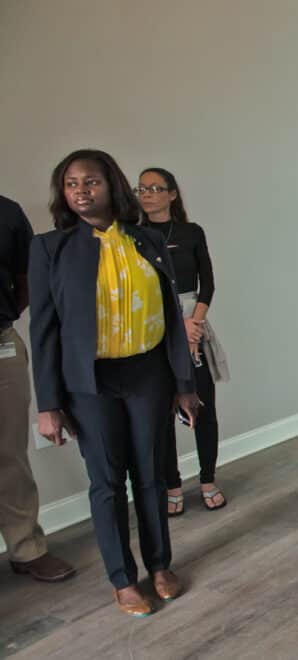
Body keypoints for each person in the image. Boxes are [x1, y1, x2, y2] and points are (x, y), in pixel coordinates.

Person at [29, 150, 199, 617]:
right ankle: (122, 580)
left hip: (148, 373)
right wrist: (49, 404)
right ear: (63, 193)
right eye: (71, 183)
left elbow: (171, 317)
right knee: (107, 481)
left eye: (91, 181)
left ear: (112, 185)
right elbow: (43, 333)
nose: (81, 190)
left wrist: (185, 383)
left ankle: (159, 566)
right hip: (90, 382)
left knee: (151, 474)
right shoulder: (50, 249)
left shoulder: (147, 241)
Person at [138, 168, 229, 515]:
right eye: (142, 188)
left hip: (194, 324)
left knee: (203, 407)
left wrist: (195, 323)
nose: (147, 194)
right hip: (153, 325)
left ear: (172, 194)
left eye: (155, 188)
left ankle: (208, 480)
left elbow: (207, 282)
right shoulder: (134, 235)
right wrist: (176, 324)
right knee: (161, 413)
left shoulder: (191, 232)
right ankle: (172, 485)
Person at [0, 195, 75, 582]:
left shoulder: (7, 211)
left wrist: (7, 312)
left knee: (9, 454)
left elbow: (26, 279)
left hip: (1, 344)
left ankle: (26, 548)